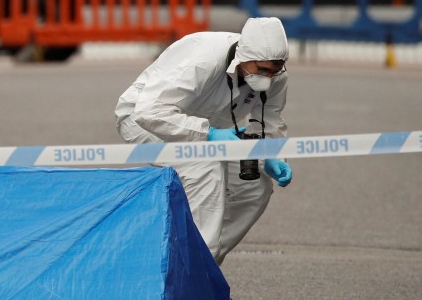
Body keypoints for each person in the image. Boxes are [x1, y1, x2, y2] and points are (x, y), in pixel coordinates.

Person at [114, 17, 293, 265]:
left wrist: (273, 155)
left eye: (274, 71)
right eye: (261, 70)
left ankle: (204, 268)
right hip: (144, 121)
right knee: (204, 167)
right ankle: (193, 283)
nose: (268, 79)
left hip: (205, 132)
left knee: (254, 187)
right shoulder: (203, 59)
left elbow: (270, 119)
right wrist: (207, 134)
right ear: (243, 56)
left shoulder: (275, 74)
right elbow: (149, 111)